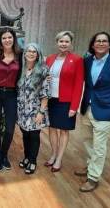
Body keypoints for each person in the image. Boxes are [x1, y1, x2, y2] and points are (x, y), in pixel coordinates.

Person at [75, 32, 110, 192]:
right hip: (87, 107)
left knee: (99, 146)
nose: (101, 43)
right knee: (86, 140)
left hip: (106, 109)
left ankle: (93, 177)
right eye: (98, 41)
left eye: (104, 41)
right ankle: (90, 165)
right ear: (93, 44)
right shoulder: (87, 61)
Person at [45, 31, 84, 172]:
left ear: (71, 43)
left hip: (66, 101)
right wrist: (46, 79)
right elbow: (44, 76)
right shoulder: (49, 58)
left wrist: (74, 107)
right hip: (51, 100)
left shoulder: (77, 60)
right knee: (52, 128)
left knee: (64, 131)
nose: (63, 44)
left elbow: (79, 85)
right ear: (57, 43)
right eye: (61, 41)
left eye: (66, 41)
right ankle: (53, 154)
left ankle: (59, 159)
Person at [0, 29, 21, 172]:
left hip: (11, 94)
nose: (7, 40)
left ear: (14, 39)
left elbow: (31, 67)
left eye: (10, 37)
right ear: (0, 40)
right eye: (4, 38)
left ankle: (4, 155)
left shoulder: (20, 55)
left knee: (9, 128)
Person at [17, 43, 49, 174]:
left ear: (38, 55)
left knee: (34, 136)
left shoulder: (43, 70)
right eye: (28, 51)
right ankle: (26, 157)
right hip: (22, 109)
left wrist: (41, 112)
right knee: (25, 134)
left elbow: (45, 93)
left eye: (34, 52)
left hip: (36, 109)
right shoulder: (22, 69)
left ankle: (33, 161)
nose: (31, 54)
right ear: (24, 54)